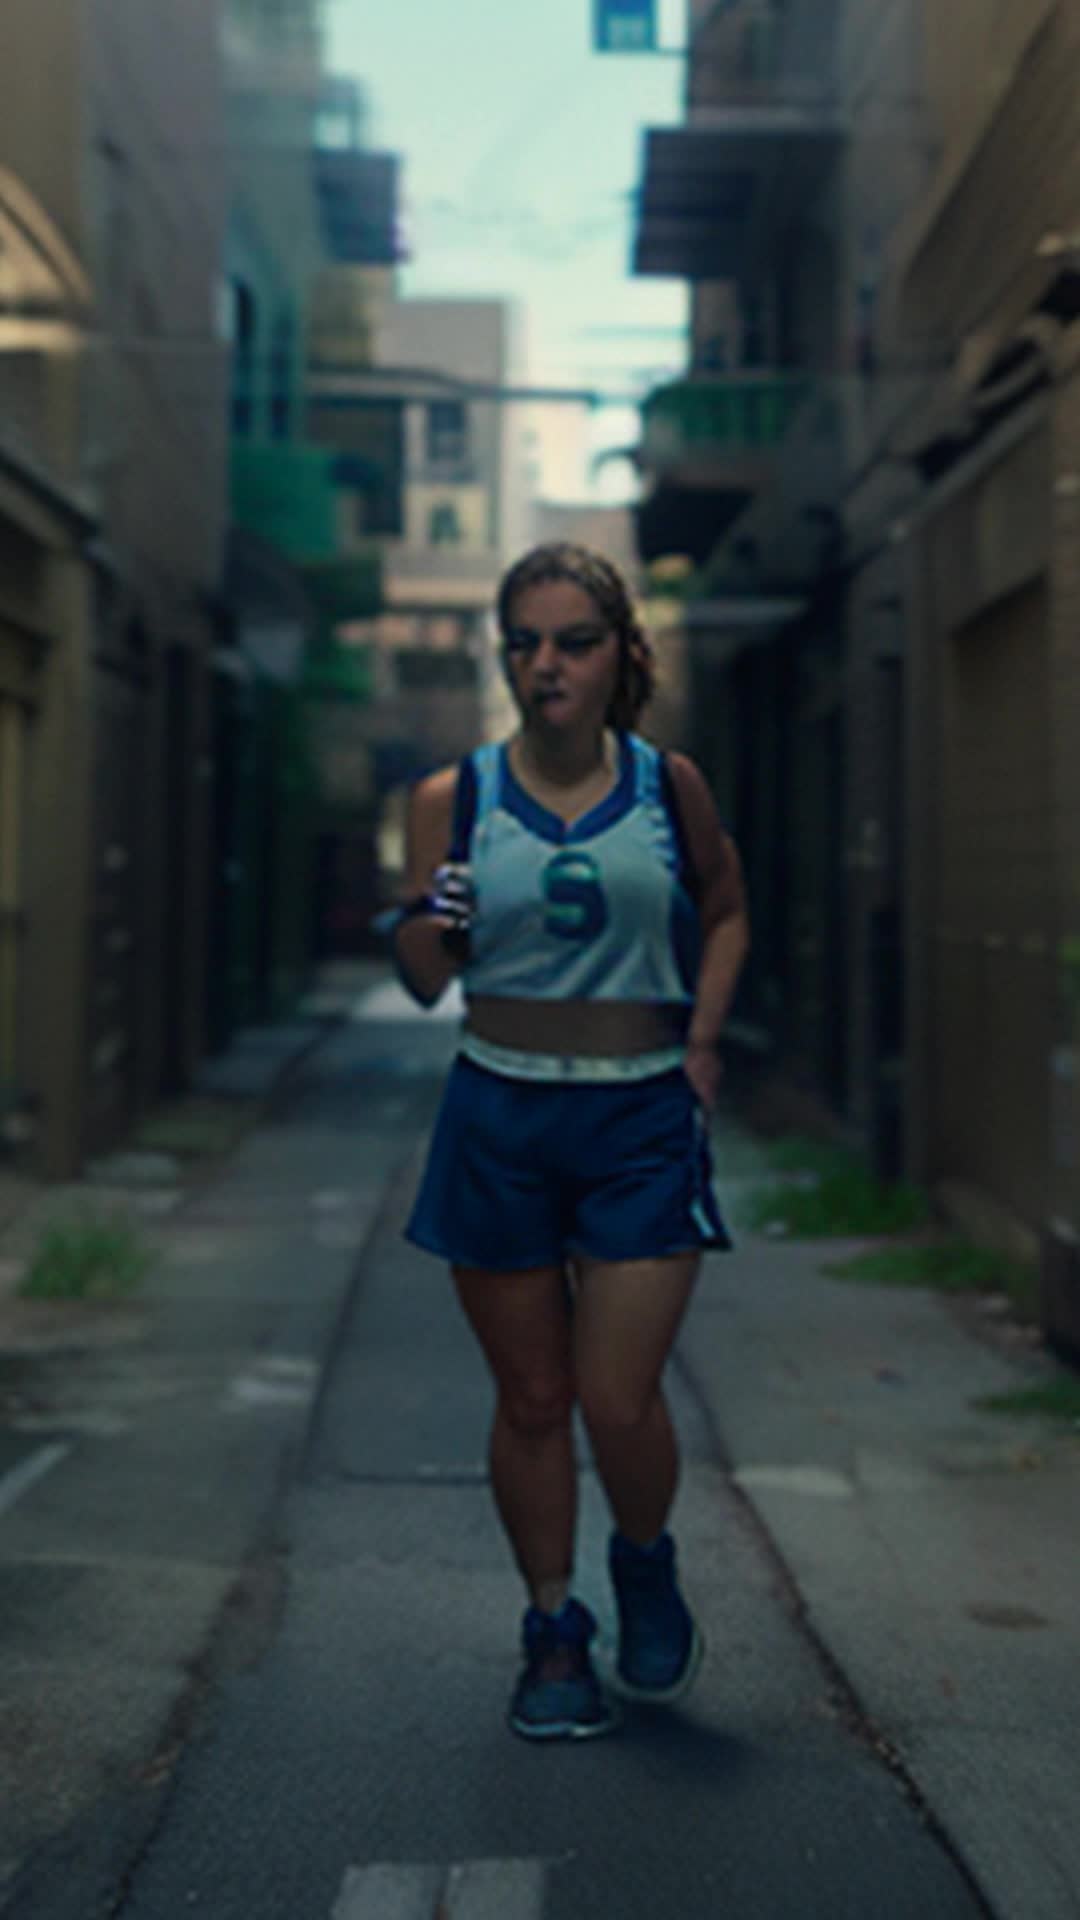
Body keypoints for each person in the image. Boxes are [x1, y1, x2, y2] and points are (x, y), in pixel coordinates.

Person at [392, 541, 749, 1741]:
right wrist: (434, 921)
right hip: (499, 1110)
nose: (547, 666)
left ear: (619, 658)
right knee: (534, 1399)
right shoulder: (456, 800)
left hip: (639, 1111)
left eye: (575, 642)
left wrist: (702, 1044)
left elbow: (730, 909)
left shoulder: (668, 787)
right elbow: (419, 982)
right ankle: (554, 1631)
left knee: (615, 1395)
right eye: (526, 643)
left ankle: (643, 1560)